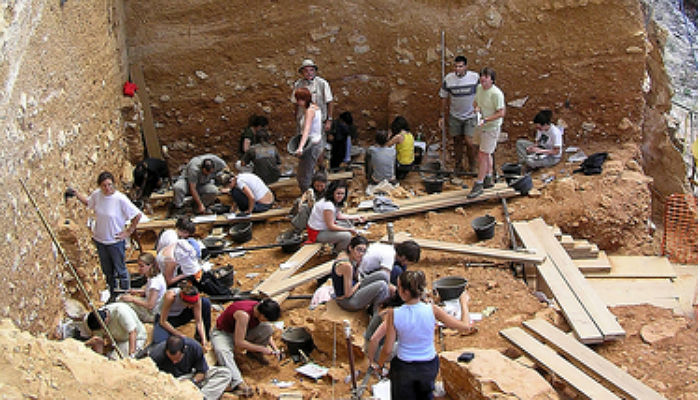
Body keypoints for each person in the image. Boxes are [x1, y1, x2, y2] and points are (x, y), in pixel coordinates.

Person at [375, 270, 475, 400]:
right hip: (428, 365)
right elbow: (465, 326)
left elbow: (387, 349)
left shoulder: (394, 314)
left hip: (404, 367)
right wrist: (463, 303)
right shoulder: (432, 310)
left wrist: (380, 365)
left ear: (404, 292)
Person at [70, 171, 141, 296]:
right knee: (107, 271)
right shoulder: (97, 195)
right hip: (100, 240)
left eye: (109, 185)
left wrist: (128, 231)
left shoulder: (120, 199)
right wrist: (76, 194)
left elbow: (137, 215)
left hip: (115, 241)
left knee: (120, 269)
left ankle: (126, 294)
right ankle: (113, 294)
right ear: (100, 186)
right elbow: (88, 202)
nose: (107, 188)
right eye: (104, 185)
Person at [210, 298, 281, 397]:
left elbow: (267, 334)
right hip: (223, 333)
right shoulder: (243, 315)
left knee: (267, 328)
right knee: (222, 351)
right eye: (266, 318)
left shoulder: (259, 308)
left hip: (242, 329)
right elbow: (239, 342)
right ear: (262, 315)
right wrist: (262, 349)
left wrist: (274, 348)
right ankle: (238, 383)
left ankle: (254, 355)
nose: (265, 321)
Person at [150, 335, 232, 400]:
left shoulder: (194, 347)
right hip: (171, 382)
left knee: (225, 373)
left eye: (177, 359)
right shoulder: (156, 354)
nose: (174, 362)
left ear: (184, 350)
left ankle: (202, 397)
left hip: (190, 377)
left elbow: (201, 372)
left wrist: (191, 383)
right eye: (171, 359)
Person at [468, 67, 506, 199]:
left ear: (492, 80)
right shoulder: (479, 88)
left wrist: (486, 120)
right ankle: (488, 177)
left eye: (486, 77)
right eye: (482, 76)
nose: (483, 79)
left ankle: (479, 183)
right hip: (481, 124)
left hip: (491, 127)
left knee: (482, 154)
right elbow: (476, 103)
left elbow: (501, 113)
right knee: (486, 151)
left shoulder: (496, 94)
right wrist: (477, 109)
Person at [439, 56, 480, 173]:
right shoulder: (448, 79)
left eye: (460, 66)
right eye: (456, 66)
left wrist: (479, 108)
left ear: (466, 66)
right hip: (455, 116)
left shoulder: (474, 77)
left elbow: (481, 93)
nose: (458, 69)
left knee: (470, 142)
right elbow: (443, 98)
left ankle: (472, 165)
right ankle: (458, 165)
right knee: (457, 140)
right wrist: (441, 116)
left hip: (470, 115)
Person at [332, 236, 390, 312]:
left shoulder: (347, 255)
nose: (361, 254)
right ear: (350, 248)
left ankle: (378, 304)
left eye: (364, 251)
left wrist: (358, 264)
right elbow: (347, 294)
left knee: (383, 274)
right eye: (359, 250)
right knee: (382, 286)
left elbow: (355, 276)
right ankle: (376, 317)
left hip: (353, 289)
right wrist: (358, 284)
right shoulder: (346, 265)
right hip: (347, 301)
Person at [306, 180, 364, 254]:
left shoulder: (332, 201)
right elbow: (331, 226)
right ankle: (337, 252)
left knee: (349, 222)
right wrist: (349, 229)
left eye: (342, 194)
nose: (340, 196)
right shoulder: (328, 206)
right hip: (317, 233)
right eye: (338, 193)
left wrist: (355, 217)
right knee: (346, 236)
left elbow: (338, 215)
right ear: (332, 192)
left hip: (323, 227)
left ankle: (337, 244)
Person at [152, 284, 211, 349]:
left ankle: (200, 338)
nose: (190, 307)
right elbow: (163, 321)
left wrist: (204, 339)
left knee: (205, 302)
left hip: (181, 314)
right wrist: (179, 334)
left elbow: (199, 321)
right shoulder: (171, 296)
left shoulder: (196, 298)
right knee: (160, 342)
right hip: (167, 318)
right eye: (189, 305)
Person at [118, 252, 166, 323]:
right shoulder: (154, 276)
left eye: (141, 266)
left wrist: (132, 299)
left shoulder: (155, 283)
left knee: (122, 303)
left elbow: (150, 305)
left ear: (150, 265)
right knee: (122, 298)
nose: (139, 268)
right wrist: (137, 291)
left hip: (151, 313)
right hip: (150, 307)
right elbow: (151, 293)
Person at [293, 87, 325, 192]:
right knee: (309, 171)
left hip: (310, 145)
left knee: (303, 178)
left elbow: (307, 130)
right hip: (317, 142)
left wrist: (300, 147)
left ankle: (308, 199)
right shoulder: (316, 107)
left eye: (299, 100)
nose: (298, 102)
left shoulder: (310, 111)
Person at [291, 59, 334, 135]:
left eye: (311, 70)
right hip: (303, 120)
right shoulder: (298, 84)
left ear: (315, 71)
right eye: (306, 71)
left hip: (319, 121)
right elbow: (295, 102)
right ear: (302, 72)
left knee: (317, 143)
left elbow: (329, 101)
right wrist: (296, 117)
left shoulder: (322, 84)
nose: (309, 73)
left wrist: (329, 120)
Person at [387, 116, 415, 180]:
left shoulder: (399, 136)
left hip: (401, 166)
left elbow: (386, 145)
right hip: (410, 164)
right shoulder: (410, 134)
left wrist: (389, 135)